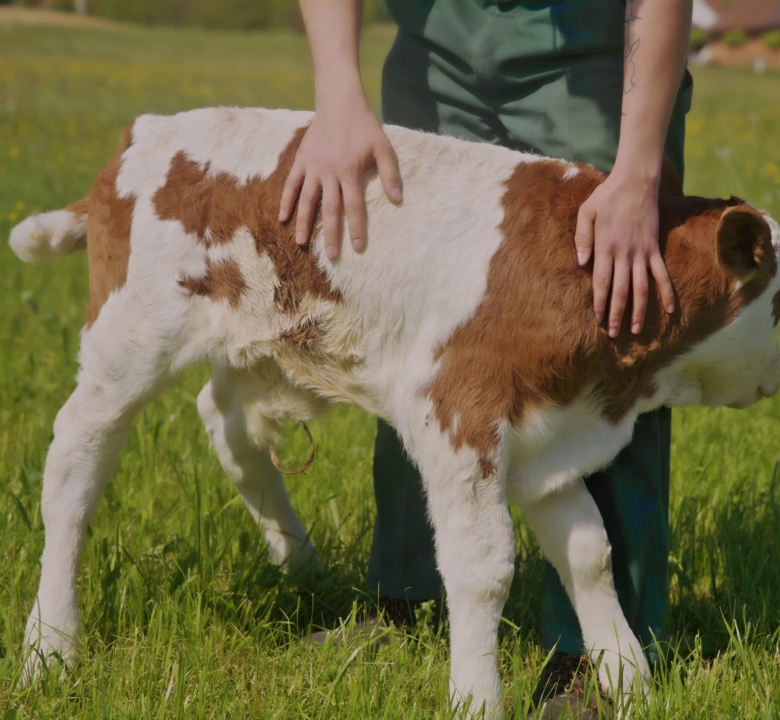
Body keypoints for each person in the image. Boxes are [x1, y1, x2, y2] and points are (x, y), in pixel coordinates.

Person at [281, 1, 692, 715]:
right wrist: (337, 92)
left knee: (606, 306)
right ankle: (409, 596)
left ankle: (599, 646)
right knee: (422, 318)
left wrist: (637, 173)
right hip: (436, 46)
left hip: (591, 52)